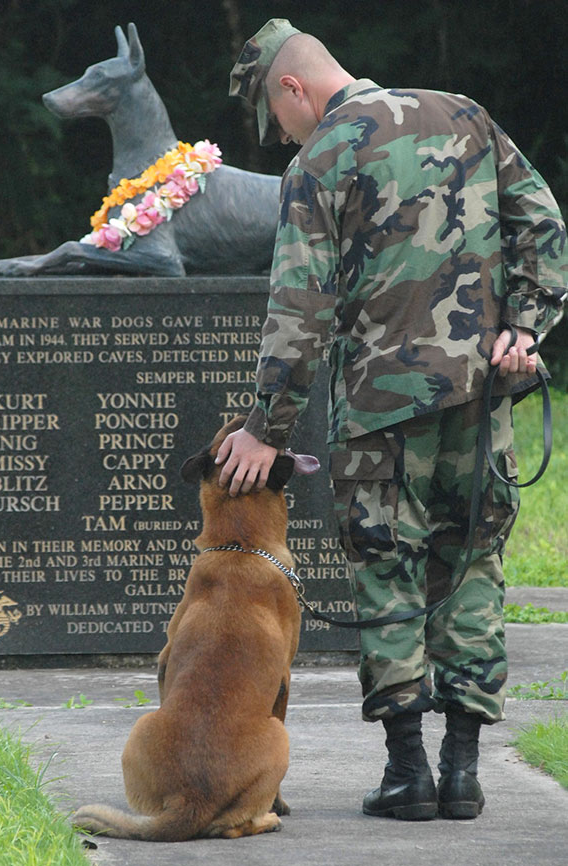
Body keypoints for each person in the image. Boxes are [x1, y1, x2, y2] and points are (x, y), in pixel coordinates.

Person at [218, 18, 567, 821]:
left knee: (387, 573)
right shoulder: (465, 114)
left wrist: (264, 427)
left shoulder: (321, 161)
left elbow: (298, 309)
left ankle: (407, 773)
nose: (281, 136)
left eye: (277, 120)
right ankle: (464, 772)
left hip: (379, 414)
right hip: (479, 402)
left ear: (291, 88)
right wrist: (526, 326)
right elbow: (542, 225)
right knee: (471, 564)